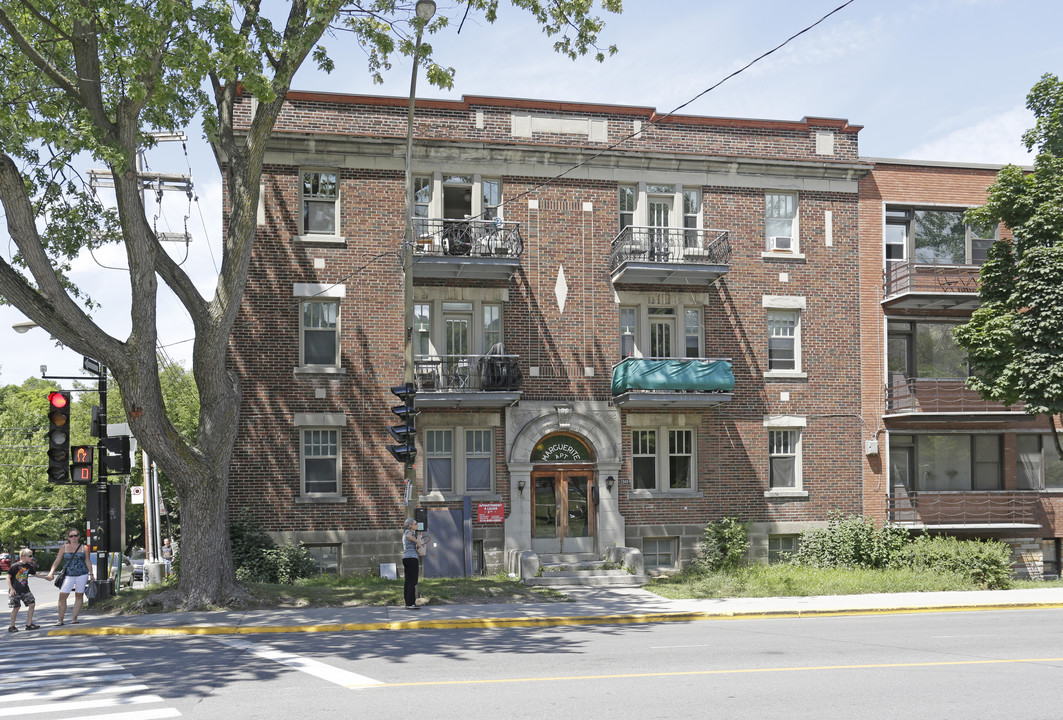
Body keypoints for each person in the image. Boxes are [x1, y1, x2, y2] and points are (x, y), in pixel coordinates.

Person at [46, 529, 93, 626]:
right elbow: (57, 560)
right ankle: (60, 619)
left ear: (79, 536)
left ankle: (74, 617)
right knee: (63, 595)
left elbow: (87, 561)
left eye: (75, 535)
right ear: (68, 538)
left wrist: (91, 574)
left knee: (79, 595)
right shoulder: (64, 547)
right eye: (71, 536)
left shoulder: (84, 548)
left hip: (82, 573)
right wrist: (51, 572)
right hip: (68, 574)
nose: (73, 538)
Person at [7, 548, 39, 632]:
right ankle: (12, 626)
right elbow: (8, 577)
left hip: (25, 590)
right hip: (15, 590)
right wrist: (11, 589)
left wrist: (46, 577)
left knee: (32, 604)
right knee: (16, 607)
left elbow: (35, 574)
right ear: (23, 556)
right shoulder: (15, 566)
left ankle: (29, 624)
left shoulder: (28, 566)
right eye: (30, 556)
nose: (32, 557)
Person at [401, 518, 428, 609]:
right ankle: (411, 603)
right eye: (415, 523)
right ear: (410, 525)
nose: (416, 525)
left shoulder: (407, 533)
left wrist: (417, 541)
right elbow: (409, 536)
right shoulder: (410, 532)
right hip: (412, 558)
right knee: (413, 581)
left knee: (408, 581)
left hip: (406, 558)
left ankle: (407, 601)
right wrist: (418, 541)